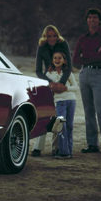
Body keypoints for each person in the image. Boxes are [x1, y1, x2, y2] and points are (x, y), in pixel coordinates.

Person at [73, 8, 101, 156]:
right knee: (88, 111)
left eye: (95, 18)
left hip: (99, 74)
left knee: (100, 110)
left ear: (99, 21)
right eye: (89, 17)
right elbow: (75, 60)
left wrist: (87, 56)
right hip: (84, 74)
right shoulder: (82, 39)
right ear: (87, 20)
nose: (92, 20)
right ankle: (92, 144)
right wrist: (93, 54)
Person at [31, 25, 72, 156]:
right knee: (45, 114)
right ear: (45, 36)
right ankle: (37, 148)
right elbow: (38, 70)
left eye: (54, 35)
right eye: (49, 36)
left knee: (58, 116)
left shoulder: (63, 43)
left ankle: (56, 148)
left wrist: (61, 84)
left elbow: (69, 66)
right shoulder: (41, 46)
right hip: (47, 80)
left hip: (62, 77)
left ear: (57, 35)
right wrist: (50, 84)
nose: (52, 38)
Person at [46, 50, 78, 159]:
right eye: (55, 58)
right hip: (59, 103)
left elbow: (76, 88)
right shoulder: (49, 74)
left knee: (69, 126)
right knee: (61, 125)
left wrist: (66, 88)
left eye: (60, 58)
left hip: (71, 101)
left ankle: (69, 151)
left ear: (64, 61)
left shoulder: (68, 73)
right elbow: (47, 88)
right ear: (52, 60)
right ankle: (63, 152)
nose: (57, 60)